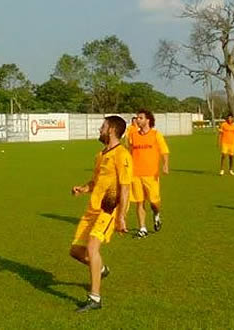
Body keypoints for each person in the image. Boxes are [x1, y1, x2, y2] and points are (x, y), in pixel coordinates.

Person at [70, 116, 131, 313]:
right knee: (76, 252)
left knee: (92, 247)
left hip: (108, 209)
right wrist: (83, 188)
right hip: (92, 209)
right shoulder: (101, 155)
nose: (99, 129)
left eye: (103, 126)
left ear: (112, 130)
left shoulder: (122, 155)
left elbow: (125, 188)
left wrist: (121, 216)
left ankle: (95, 298)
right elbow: (96, 181)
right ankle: (101, 270)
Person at [129, 109, 170, 238]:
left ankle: (156, 214)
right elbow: (130, 153)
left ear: (148, 120)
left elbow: (164, 151)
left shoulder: (156, 134)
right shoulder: (133, 135)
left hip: (151, 174)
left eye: (140, 118)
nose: (137, 120)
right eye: (137, 118)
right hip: (135, 174)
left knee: (154, 202)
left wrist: (165, 165)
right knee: (139, 202)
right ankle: (142, 228)